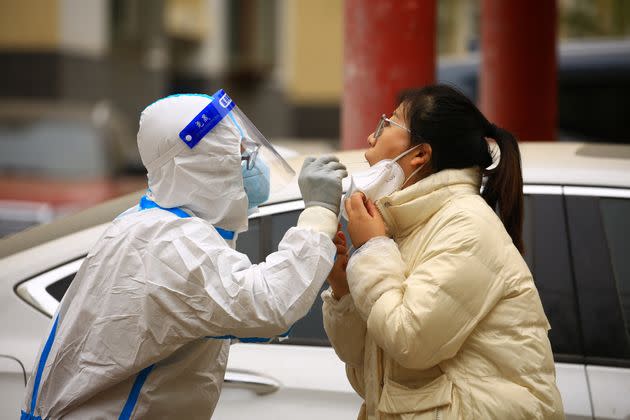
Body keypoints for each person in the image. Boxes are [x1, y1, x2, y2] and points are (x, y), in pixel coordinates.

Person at [21, 90, 347, 420]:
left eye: (248, 149)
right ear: (196, 167)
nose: (253, 164)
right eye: (237, 154)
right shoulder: (167, 244)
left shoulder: (158, 224)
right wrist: (318, 214)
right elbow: (270, 304)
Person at [322, 84, 564, 419]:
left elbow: (409, 340)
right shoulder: (407, 225)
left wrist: (373, 248)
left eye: (387, 124)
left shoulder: (467, 225)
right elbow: (370, 371)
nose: (370, 140)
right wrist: (345, 288)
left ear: (420, 154)